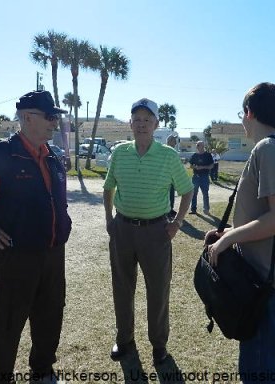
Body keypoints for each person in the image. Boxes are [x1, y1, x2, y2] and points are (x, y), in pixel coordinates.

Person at [0, 91, 71, 384]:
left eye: (56, 117)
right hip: (17, 257)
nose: (54, 123)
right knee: (8, 322)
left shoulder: (53, 157)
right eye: (49, 116)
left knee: (50, 316)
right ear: (28, 117)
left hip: (54, 254)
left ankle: (43, 370)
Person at [205, 83, 275, 384]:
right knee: (261, 356)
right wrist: (230, 231)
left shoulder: (267, 149)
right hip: (274, 270)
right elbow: (267, 217)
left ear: (248, 113)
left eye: (242, 113)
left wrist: (229, 239)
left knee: (259, 363)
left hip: (270, 278)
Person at [103, 98, 193, 365]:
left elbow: (186, 191)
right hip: (123, 229)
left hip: (156, 232)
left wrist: (176, 223)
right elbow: (108, 188)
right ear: (130, 123)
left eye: (147, 120)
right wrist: (109, 220)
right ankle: (124, 339)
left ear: (156, 124)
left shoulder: (168, 156)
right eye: (137, 119)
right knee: (122, 287)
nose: (141, 124)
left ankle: (158, 345)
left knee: (158, 291)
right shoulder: (120, 153)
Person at [189, 141, 214, 215]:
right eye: (198, 145)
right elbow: (190, 165)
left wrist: (202, 167)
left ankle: (206, 209)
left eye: (202, 145)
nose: (201, 147)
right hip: (195, 176)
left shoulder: (208, 155)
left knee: (205, 193)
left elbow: (211, 165)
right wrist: (194, 167)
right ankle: (193, 209)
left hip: (204, 177)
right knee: (194, 193)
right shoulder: (194, 155)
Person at [166, 134, 178, 218]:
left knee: (172, 195)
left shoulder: (173, 151)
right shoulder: (165, 150)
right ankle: (167, 211)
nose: (176, 143)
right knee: (167, 195)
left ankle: (171, 209)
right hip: (167, 178)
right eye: (174, 141)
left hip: (172, 178)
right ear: (170, 141)